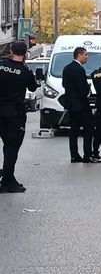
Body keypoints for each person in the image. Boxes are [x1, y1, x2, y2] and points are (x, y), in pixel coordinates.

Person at [0, 42, 38, 193]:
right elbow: (33, 87)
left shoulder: (1, 66)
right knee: (11, 147)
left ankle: (8, 177)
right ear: (26, 53)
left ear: (10, 50)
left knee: (8, 146)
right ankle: (8, 181)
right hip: (13, 114)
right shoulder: (25, 72)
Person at [62, 47, 100, 164]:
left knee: (73, 131)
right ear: (79, 55)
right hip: (82, 105)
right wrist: (87, 90)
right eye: (86, 55)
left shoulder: (67, 68)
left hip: (71, 105)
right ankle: (87, 155)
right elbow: (82, 89)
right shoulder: (79, 70)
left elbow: (64, 84)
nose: (87, 57)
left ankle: (74, 155)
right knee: (88, 130)